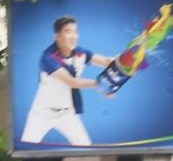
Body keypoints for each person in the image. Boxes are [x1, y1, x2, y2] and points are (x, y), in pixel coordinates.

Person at [20, 17, 112, 147]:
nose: (73, 36)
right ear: (57, 36)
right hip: (42, 113)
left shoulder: (80, 53)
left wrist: (124, 62)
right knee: (25, 149)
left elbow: (106, 62)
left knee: (86, 147)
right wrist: (101, 85)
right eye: (68, 32)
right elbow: (72, 82)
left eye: (75, 32)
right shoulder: (47, 58)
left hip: (67, 113)